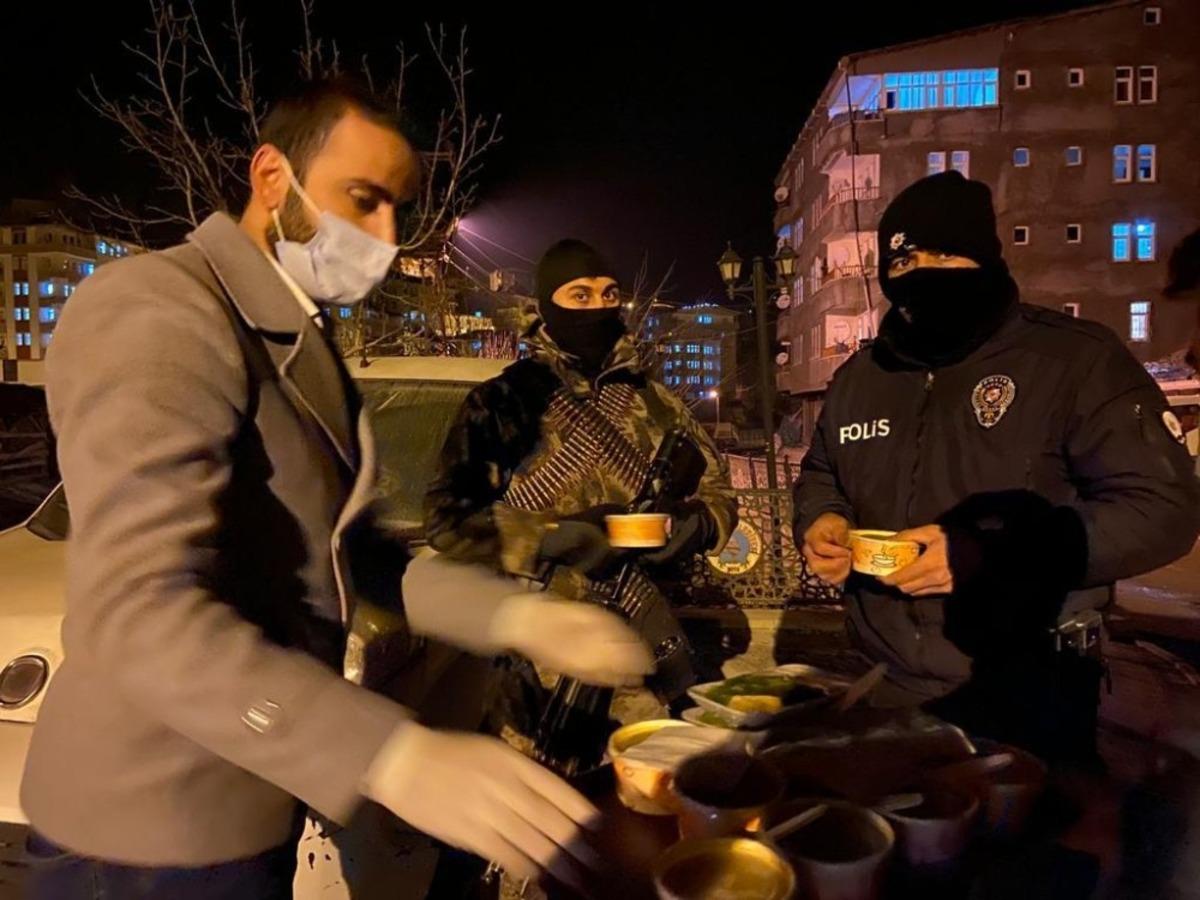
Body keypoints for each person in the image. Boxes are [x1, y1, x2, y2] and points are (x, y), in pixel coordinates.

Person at [20, 79, 654, 898]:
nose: (385, 237)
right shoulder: (161, 308)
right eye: (363, 199)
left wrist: (516, 616)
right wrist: (385, 753)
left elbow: (353, 554)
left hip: (240, 802)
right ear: (273, 177)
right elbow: (134, 607)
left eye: (397, 209)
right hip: (144, 827)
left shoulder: (290, 335)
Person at [796, 171, 1200, 763]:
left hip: (1030, 689)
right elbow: (821, 471)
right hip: (886, 681)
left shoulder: (1075, 359)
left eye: (943, 253)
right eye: (903, 261)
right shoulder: (862, 377)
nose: (920, 273)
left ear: (986, 255)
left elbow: (1162, 508)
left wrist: (988, 555)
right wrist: (821, 517)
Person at [423, 239, 738, 732]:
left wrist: (696, 526)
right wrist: (553, 536)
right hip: (540, 659)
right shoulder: (504, 403)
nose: (600, 306)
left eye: (610, 293)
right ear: (548, 305)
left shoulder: (657, 402)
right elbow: (448, 521)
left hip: (644, 654)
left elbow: (719, 492)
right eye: (580, 295)